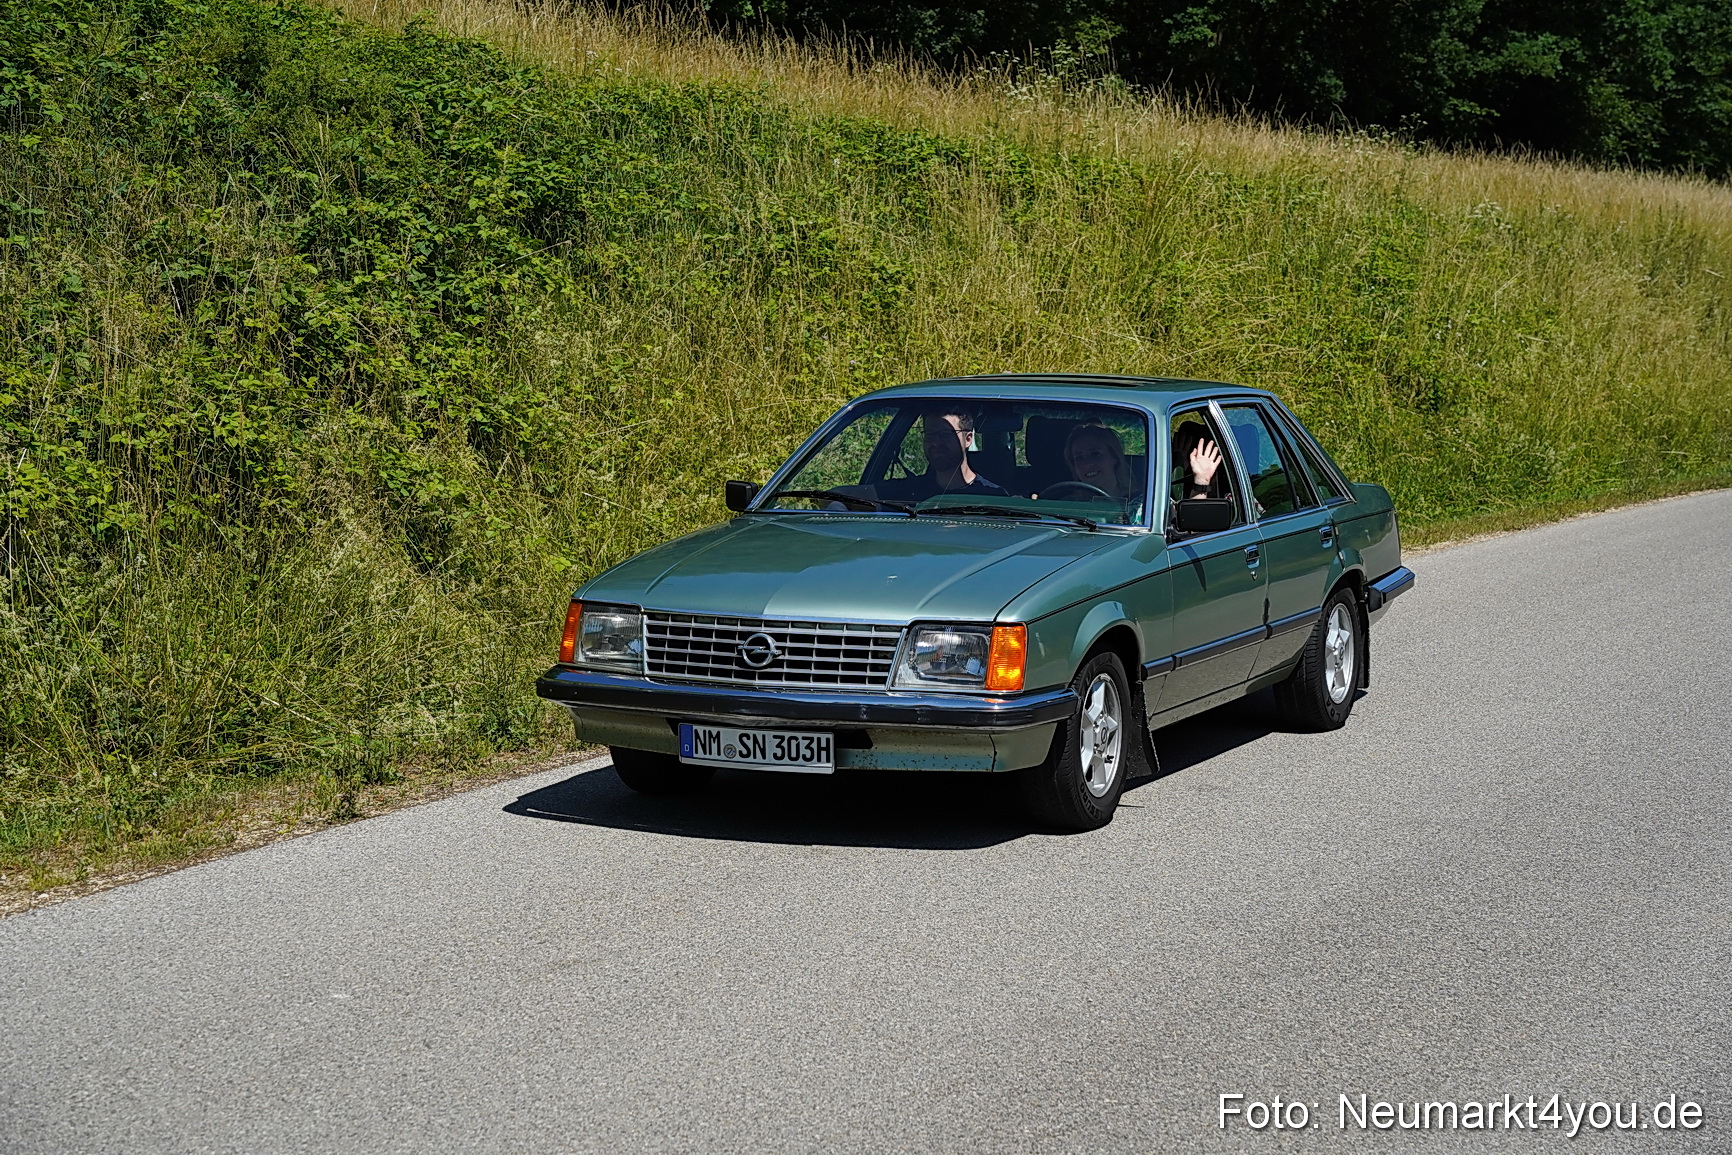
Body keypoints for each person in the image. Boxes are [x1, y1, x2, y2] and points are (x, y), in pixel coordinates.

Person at [873, 407, 1010, 502]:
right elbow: (857, 496)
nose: (936, 443)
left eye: (945, 435)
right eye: (930, 435)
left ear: (968, 439)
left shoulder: (993, 497)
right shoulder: (907, 491)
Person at [1171, 420, 1225, 502]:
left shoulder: (1226, 491)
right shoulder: (1159, 479)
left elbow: (1196, 512)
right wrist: (1179, 468)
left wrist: (1202, 481)